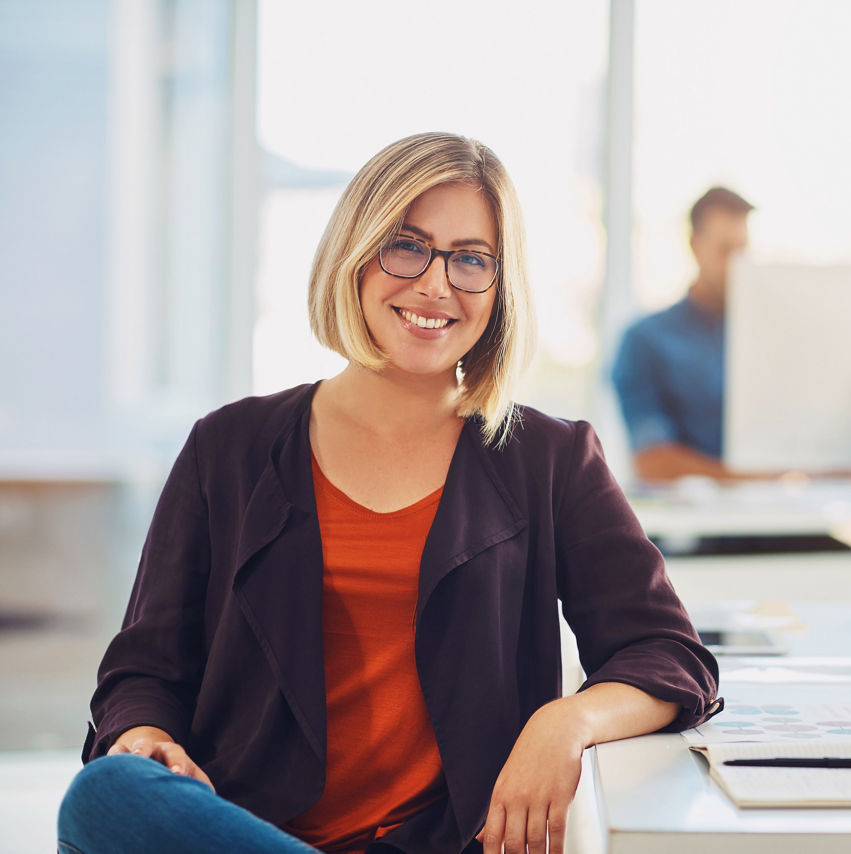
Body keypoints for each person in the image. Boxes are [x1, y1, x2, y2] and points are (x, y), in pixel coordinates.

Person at [57, 133, 720, 854]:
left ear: (499, 287)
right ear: (355, 254)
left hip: (442, 842)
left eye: (471, 259)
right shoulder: (229, 447)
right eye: (407, 246)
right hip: (244, 830)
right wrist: (146, 736)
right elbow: (145, 667)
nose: (437, 285)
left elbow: (668, 654)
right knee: (106, 794)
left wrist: (564, 722)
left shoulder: (550, 458)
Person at [611, 187, 753, 482]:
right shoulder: (645, 340)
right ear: (695, 245)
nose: (737, 266)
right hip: (689, 523)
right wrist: (757, 479)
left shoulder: (765, 341)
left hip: (782, 514)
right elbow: (653, 461)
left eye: (743, 251)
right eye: (725, 251)